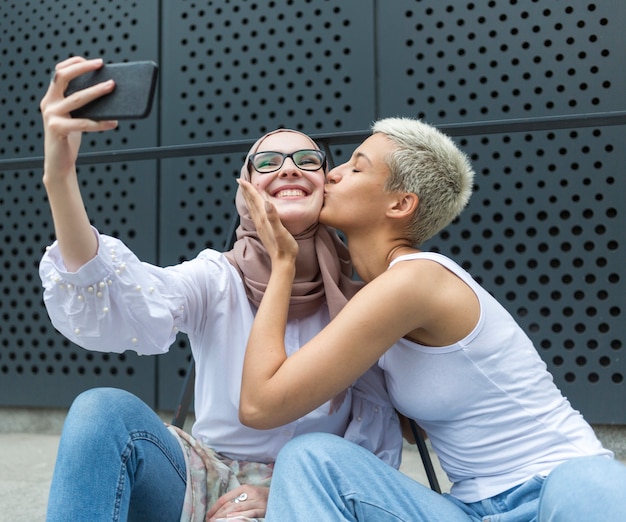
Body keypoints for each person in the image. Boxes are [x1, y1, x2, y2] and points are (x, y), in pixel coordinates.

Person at [39, 56, 402, 522]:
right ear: (246, 188)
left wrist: (289, 494)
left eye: (307, 160)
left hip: (312, 484)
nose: (289, 169)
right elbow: (117, 299)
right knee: (99, 411)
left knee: (311, 459)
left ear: (327, 185)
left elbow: (376, 436)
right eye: (268, 161)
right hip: (204, 477)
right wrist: (60, 177)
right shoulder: (217, 277)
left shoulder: (361, 299)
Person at [237, 116, 626, 521]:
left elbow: (261, 405)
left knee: (592, 480)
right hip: (472, 511)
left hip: (556, 489)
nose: (332, 174)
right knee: (310, 460)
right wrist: (287, 492)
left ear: (400, 204)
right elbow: (413, 430)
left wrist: (283, 262)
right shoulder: (377, 297)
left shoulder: (416, 280)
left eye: (356, 167)